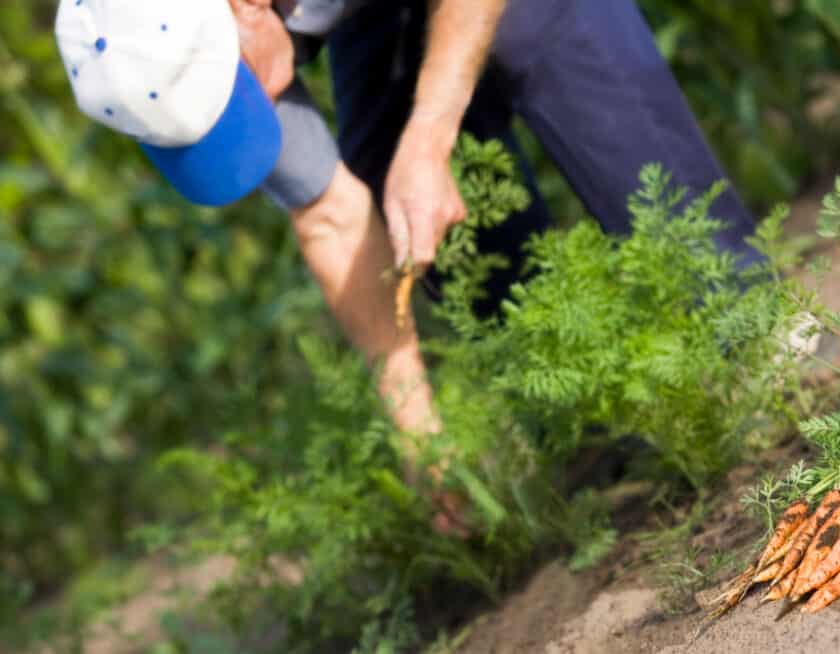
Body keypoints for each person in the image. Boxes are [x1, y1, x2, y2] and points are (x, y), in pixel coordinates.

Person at [56, 0, 765, 530]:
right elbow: (329, 216)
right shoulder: (142, 46)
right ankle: (588, 413)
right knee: (390, 168)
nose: (257, 107)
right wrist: (415, 427)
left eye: (235, 96)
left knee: (534, 39)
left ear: (240, 9)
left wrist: (431, 137)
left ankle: (752, 334)